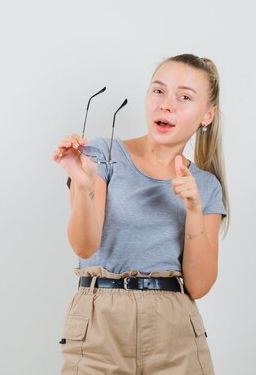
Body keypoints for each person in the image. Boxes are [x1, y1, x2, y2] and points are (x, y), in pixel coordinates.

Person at [52, 53, 230, 375]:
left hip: (174, 331)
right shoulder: (103, 155)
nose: (166, 105)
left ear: (207, 115)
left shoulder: (206, 186)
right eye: (158, 91)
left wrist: (193, 208)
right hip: (99, 325)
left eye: (184, 97)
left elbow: (200, 285)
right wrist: (83, 184)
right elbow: (84, 247)